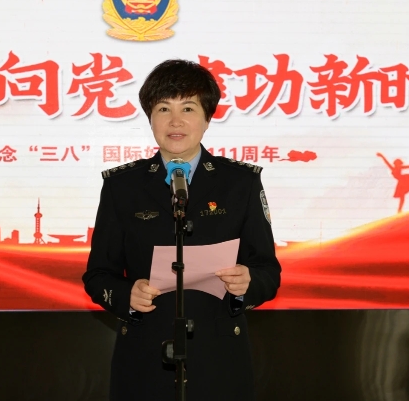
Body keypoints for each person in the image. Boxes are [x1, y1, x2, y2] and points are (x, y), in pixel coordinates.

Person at [82, 59, 281, 400]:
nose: (175, 121)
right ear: (150, 118)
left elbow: (268, 272)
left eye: (188, 108)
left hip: (220, 359)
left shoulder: (240, 183)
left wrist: (247, 283)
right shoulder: (122, 186)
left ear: (207, 118)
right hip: (144, 359)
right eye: (163, 109)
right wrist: (127, 295)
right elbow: (98, 276)